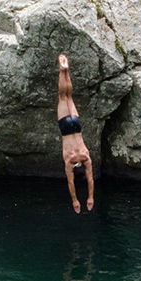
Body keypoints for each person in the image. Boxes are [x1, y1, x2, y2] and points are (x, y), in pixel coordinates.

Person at [56, 53, 94, 213]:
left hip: (76, 126)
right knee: (62, 97)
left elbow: (91, 180)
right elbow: (70, 183)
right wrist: (75, 201)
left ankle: (65, 71)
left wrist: (91, 196)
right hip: (65, 127)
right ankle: (61, 70)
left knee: (68, 96)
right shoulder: (69, 161)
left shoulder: (86, 157)